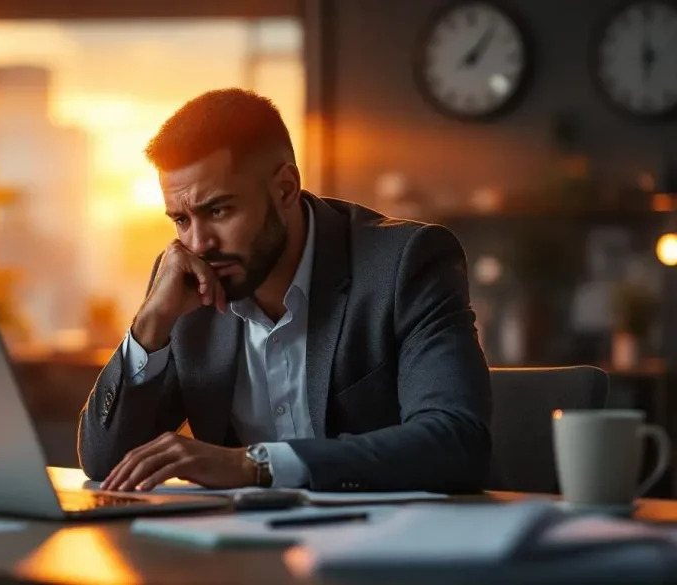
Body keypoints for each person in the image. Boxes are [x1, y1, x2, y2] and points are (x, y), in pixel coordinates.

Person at [77, 88, 491, 493]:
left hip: (402, 533)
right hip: (244, 536)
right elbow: (104, 463)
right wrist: (150, 324)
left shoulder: (404, 263)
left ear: (285, 188)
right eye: (181, 220)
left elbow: (457, 441)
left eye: (218, 210)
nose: (199, 243)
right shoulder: (185, 285)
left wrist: (252, 464)